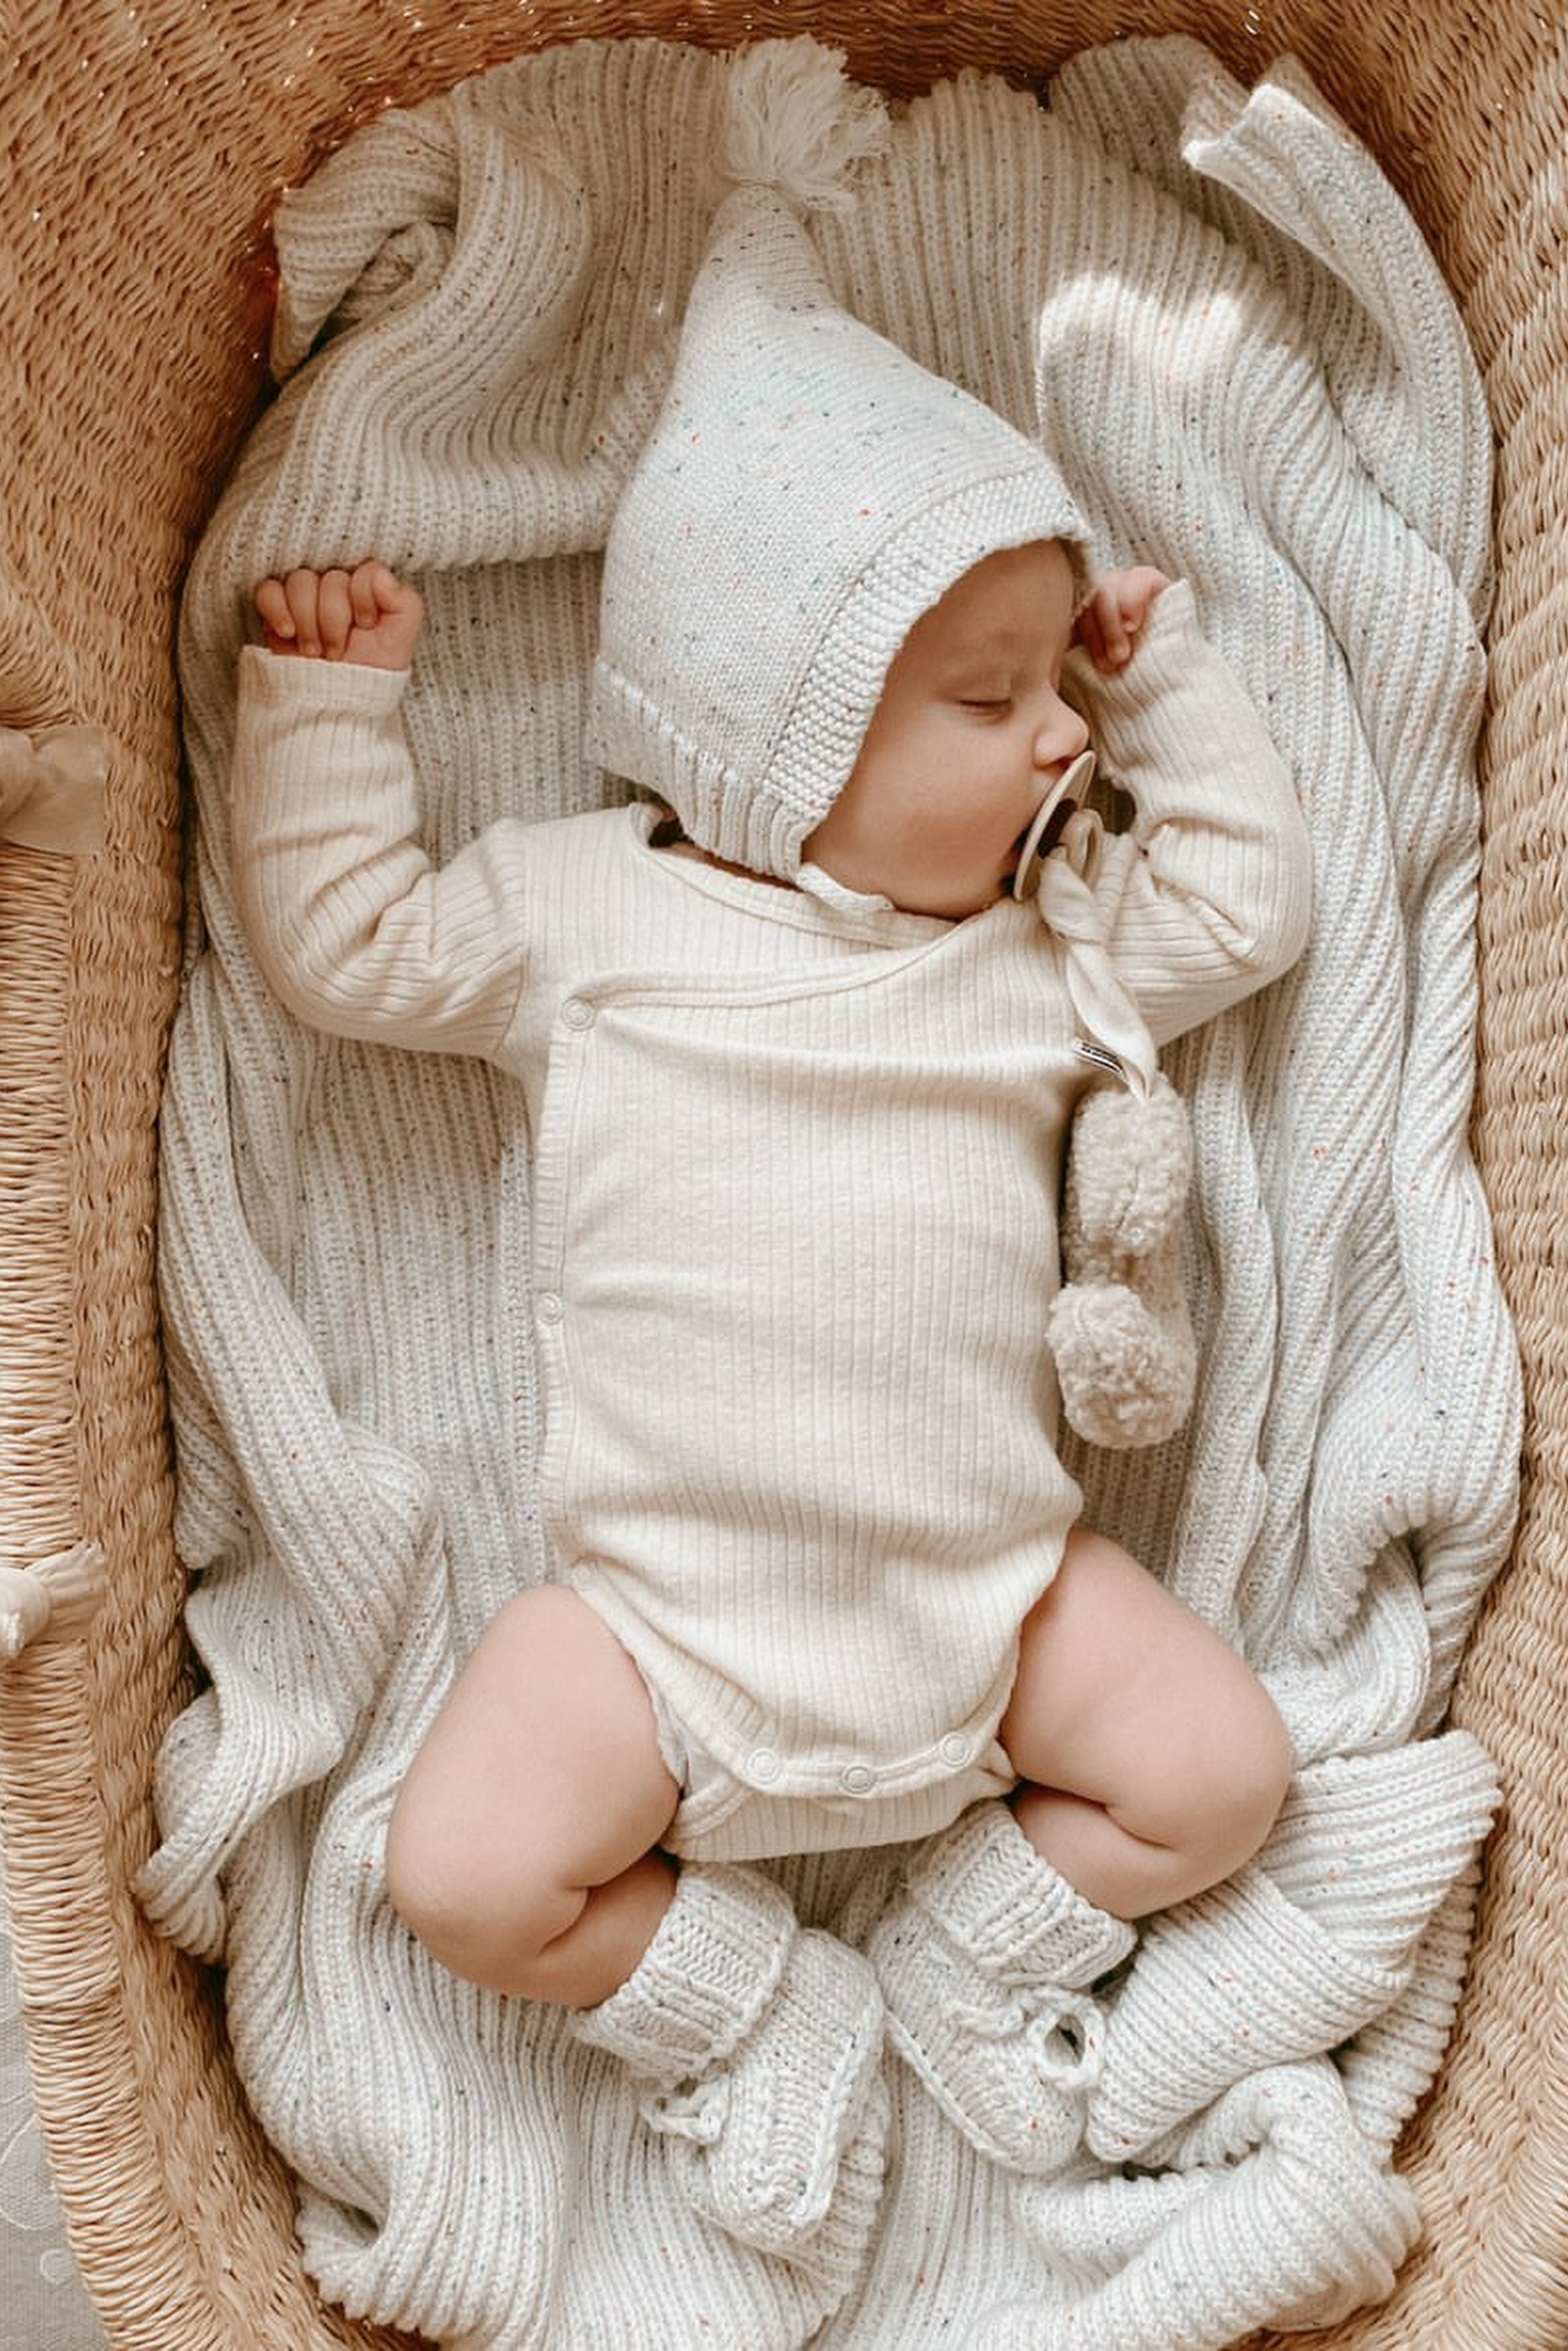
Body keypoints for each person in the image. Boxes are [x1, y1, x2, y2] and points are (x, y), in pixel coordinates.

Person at [229, 181, 1310, 2218]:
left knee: (1217, 1774)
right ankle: (740, 2002)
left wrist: (1162, 690)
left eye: (1052, 695)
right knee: (460, 1870)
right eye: (988, 698)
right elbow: (348, 945)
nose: (1057, 733)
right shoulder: (586, 917)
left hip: (995, 1603)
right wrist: (332, 714)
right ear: (768, 732)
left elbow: (1242, 911)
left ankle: (964, 1948)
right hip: (659, 1641)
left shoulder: (1036, 947)